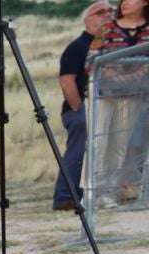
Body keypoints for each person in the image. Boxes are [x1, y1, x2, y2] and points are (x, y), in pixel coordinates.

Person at [91, 0, 149, 203]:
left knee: (119, 145)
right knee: (98, 141)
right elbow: (92, 59)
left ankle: (109, 191)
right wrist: (112, 76)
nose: (125, 3)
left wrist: (134, 75)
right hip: (104, 94)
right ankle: (93, 192)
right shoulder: (107, 29)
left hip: (132, 97)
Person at [59, 4, 115, 209]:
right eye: (101, 13)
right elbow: (67, 81)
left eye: (111, 12)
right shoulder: (77, 47)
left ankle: (93, 193)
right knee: (77, 152)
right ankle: (64, 196)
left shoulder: (109, 44)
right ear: (87, 19)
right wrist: (79, 109)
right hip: (81, 109)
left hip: (104, 107)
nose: (107, 16)